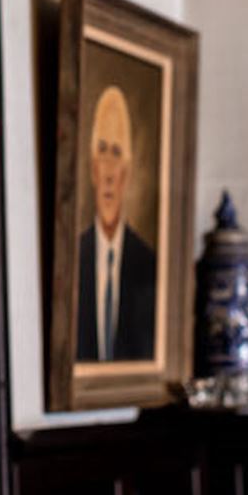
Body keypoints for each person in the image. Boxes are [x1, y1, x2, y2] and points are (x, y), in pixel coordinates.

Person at [76, 85, 157, 362]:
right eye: (101, 152)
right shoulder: (72, 261)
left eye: (116, 153)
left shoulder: (150, 266)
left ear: (128, 171)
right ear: (91, 168)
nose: (109, 171)